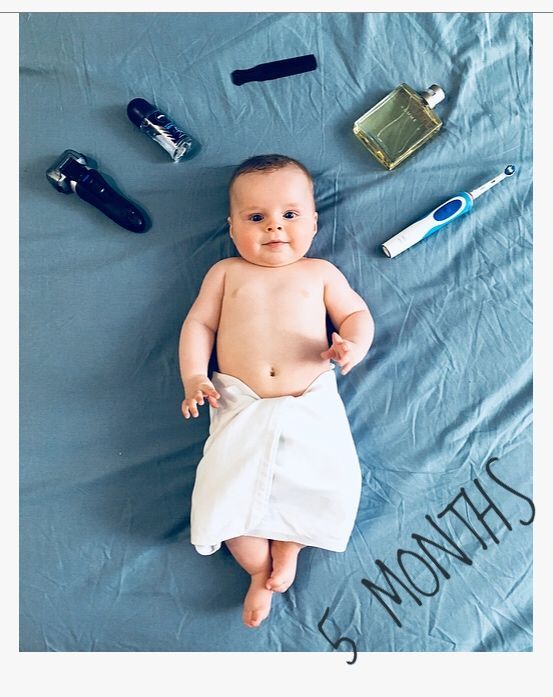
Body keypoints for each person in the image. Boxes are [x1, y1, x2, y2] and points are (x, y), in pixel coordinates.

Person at [178, 154, 375, 628]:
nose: (274, 228)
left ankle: (289, 550)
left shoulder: (320, 273)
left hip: (308, 400)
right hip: (237, 404)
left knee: (324, 478)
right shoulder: (226, 273)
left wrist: (353, 347)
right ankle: (259, 569)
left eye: (289, 215)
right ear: (231, 228)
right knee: (221, 493)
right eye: (256, 217)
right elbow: (199, 323)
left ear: (313, 221)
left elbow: (357, 315)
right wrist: (193, 377)